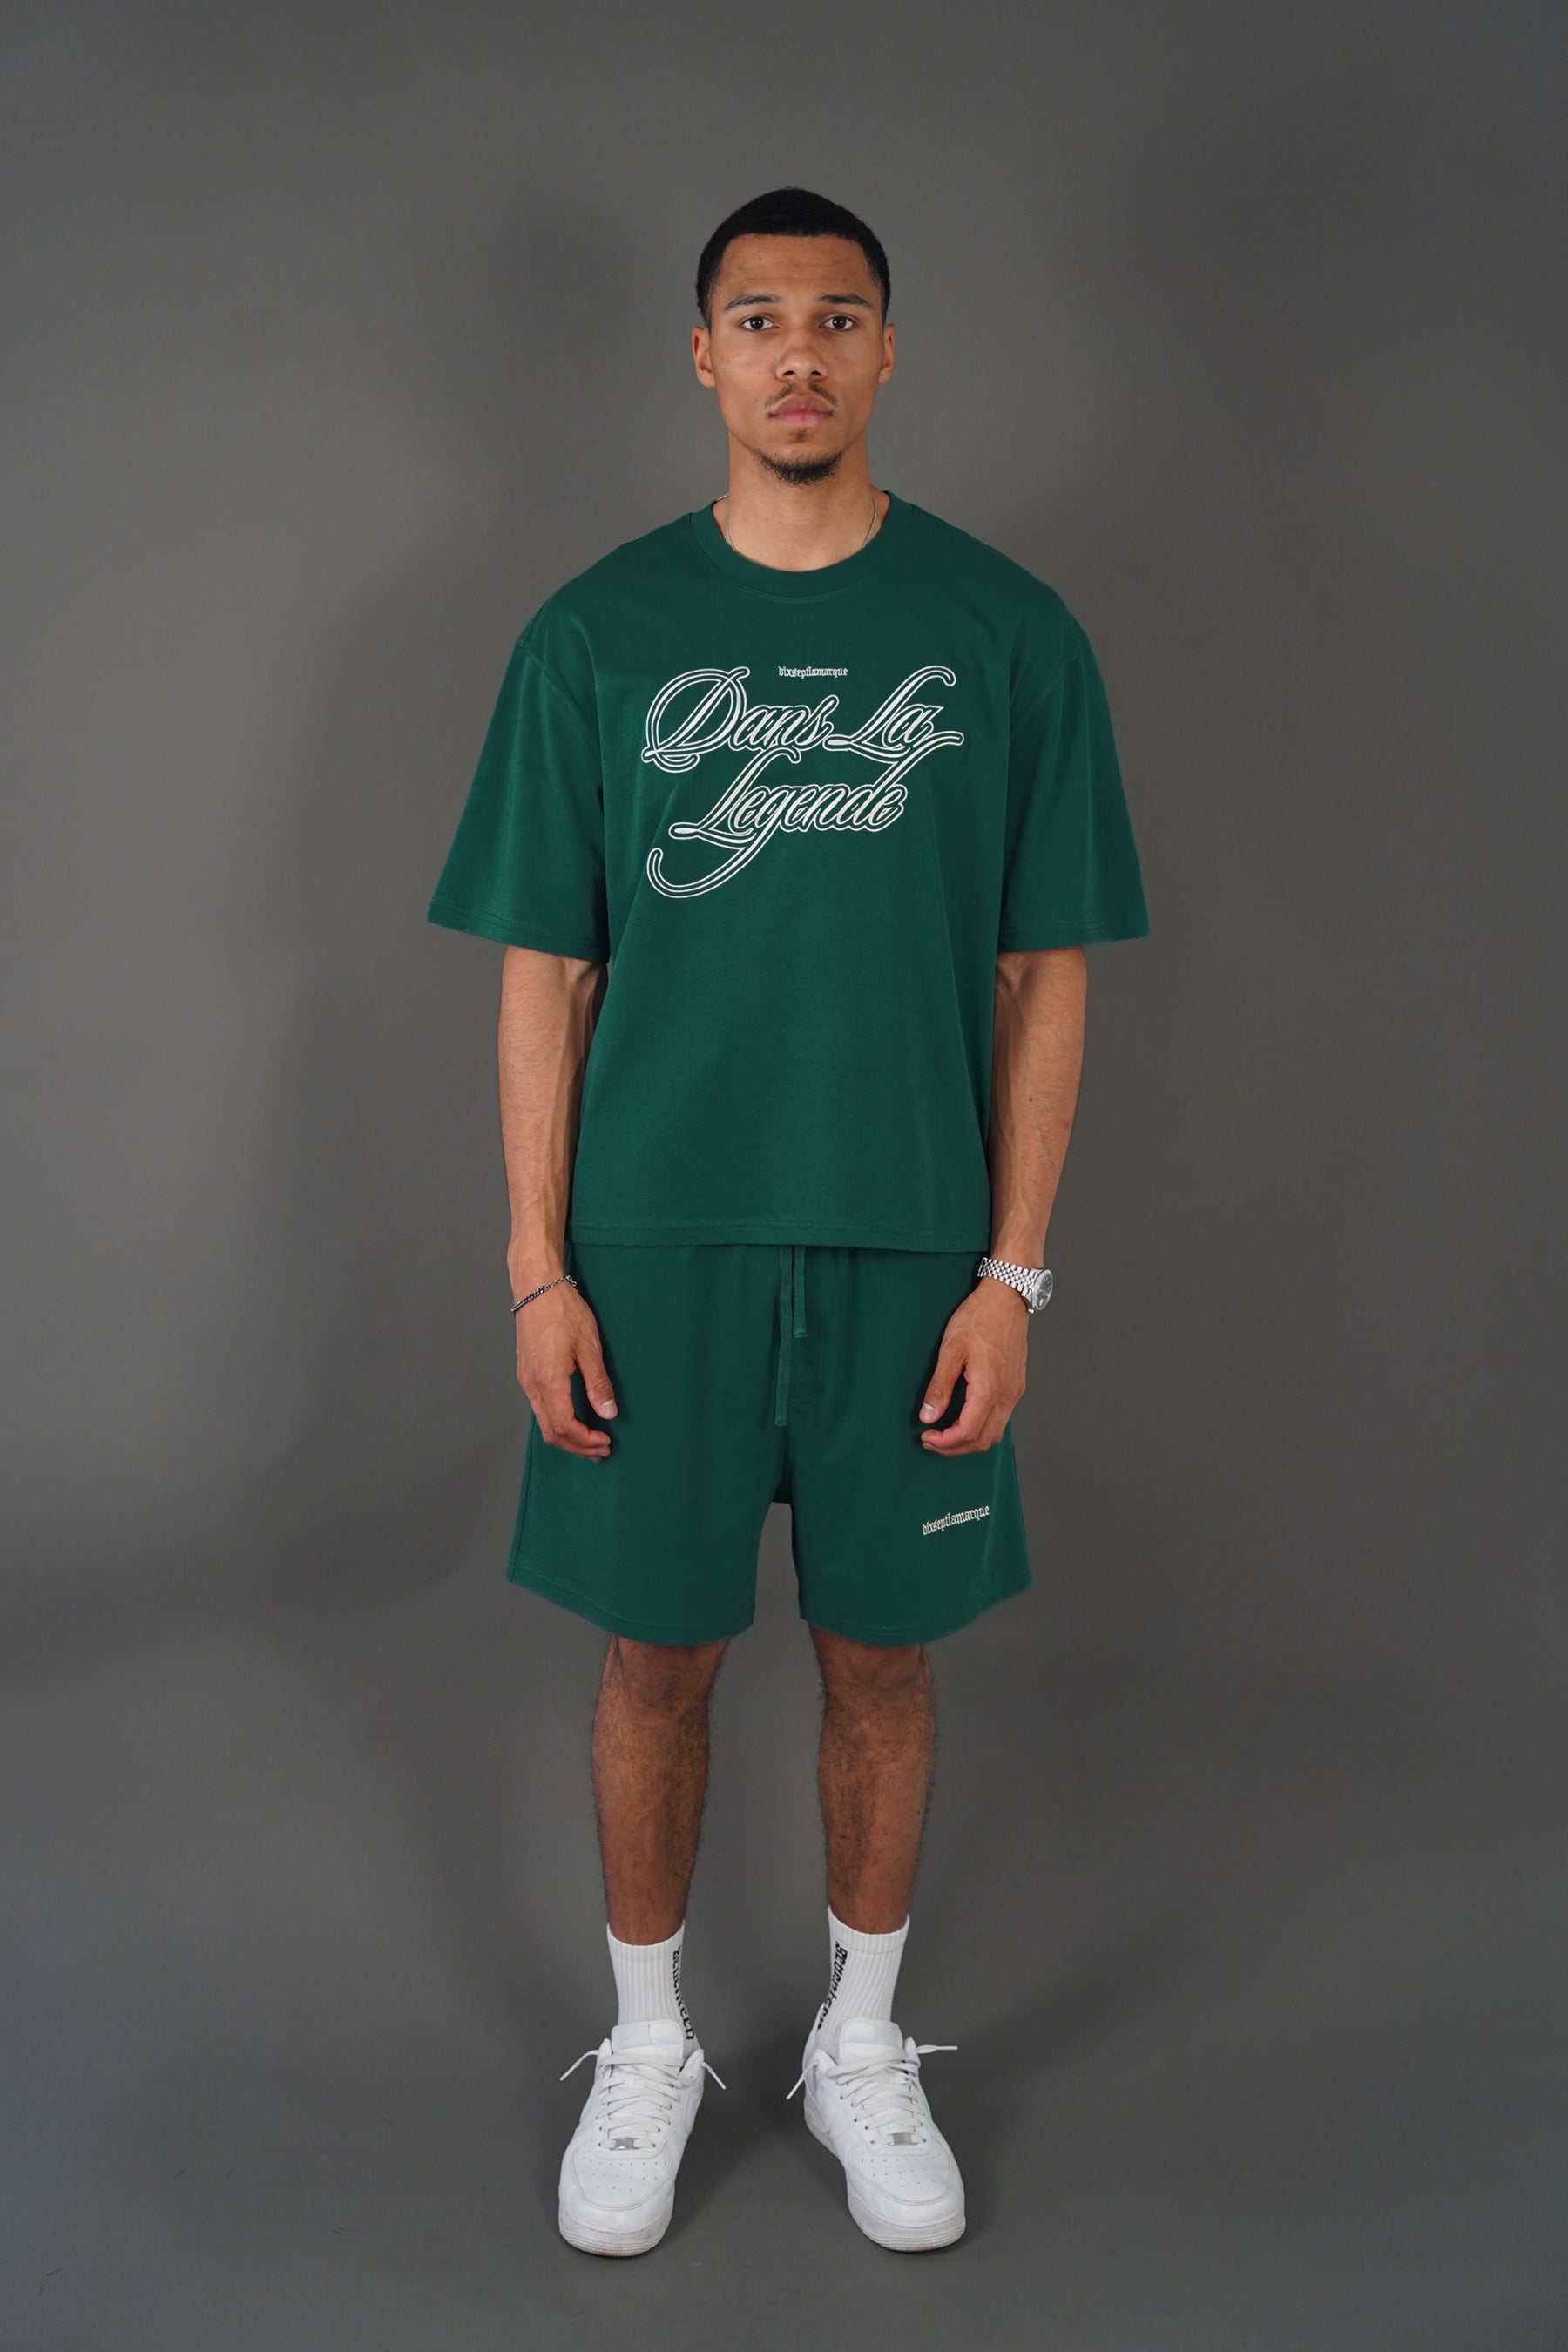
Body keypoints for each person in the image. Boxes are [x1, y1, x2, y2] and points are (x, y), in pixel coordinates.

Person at [426, 186, 1150, 2258]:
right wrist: (537, 1265)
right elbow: (545, 970)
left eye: (838, 317)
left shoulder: (1004, 631)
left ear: (889, 350)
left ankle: (860, 2043)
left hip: (911, 1241)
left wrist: (1013, 1275)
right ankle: (650, 2046)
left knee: (882, 1661)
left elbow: (1047, 970)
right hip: (655, 1244)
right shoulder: (598, 635)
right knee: (655, 1657)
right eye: (759, 318)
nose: (800, 353)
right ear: (704, 357)